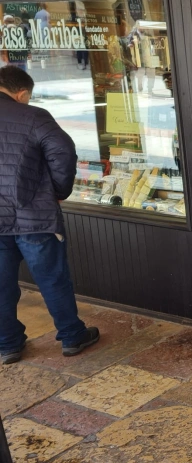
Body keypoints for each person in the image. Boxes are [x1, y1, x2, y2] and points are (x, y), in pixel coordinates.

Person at [0, 66, 100, 365]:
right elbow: (63, 152)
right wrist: (57, 191)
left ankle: (8, 344)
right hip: (35, 216)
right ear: (22, 94)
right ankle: (72, 336)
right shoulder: (34, 116)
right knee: (53, 278)